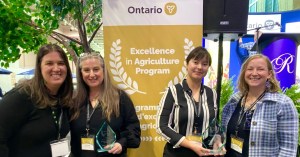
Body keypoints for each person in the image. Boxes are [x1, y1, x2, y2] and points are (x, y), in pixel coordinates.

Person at [0, 44, 74, 157]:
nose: (56, 68)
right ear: (39, 67)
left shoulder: (62, 99)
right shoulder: (21, 96)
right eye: (49, 63)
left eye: (61, 63)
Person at [221, 54, 299, 157]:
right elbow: (222, 129)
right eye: (250, 69)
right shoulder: (234, 100)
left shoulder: (282, 104)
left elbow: (288, 149)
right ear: (244, 73)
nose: (254, 73)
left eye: (260, 69)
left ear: (269, 74)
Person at [70, 53, 141, 157]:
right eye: (86, 70)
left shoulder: (119, 97)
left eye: (96, 69)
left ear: (103, 70)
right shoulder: (73, 100)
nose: (92, 74)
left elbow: (133, 128)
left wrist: (121, 143)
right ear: (80, 73)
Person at [156, 46, 219, 157]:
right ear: (187, 63)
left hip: (204, 152)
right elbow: (161, 126)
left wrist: (217, 140)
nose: (199, 67)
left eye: (204, 64)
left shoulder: (211, 93)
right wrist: (190, 144)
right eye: (195, 62)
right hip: (177, 153)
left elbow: (213, 124)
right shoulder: (173, 91)